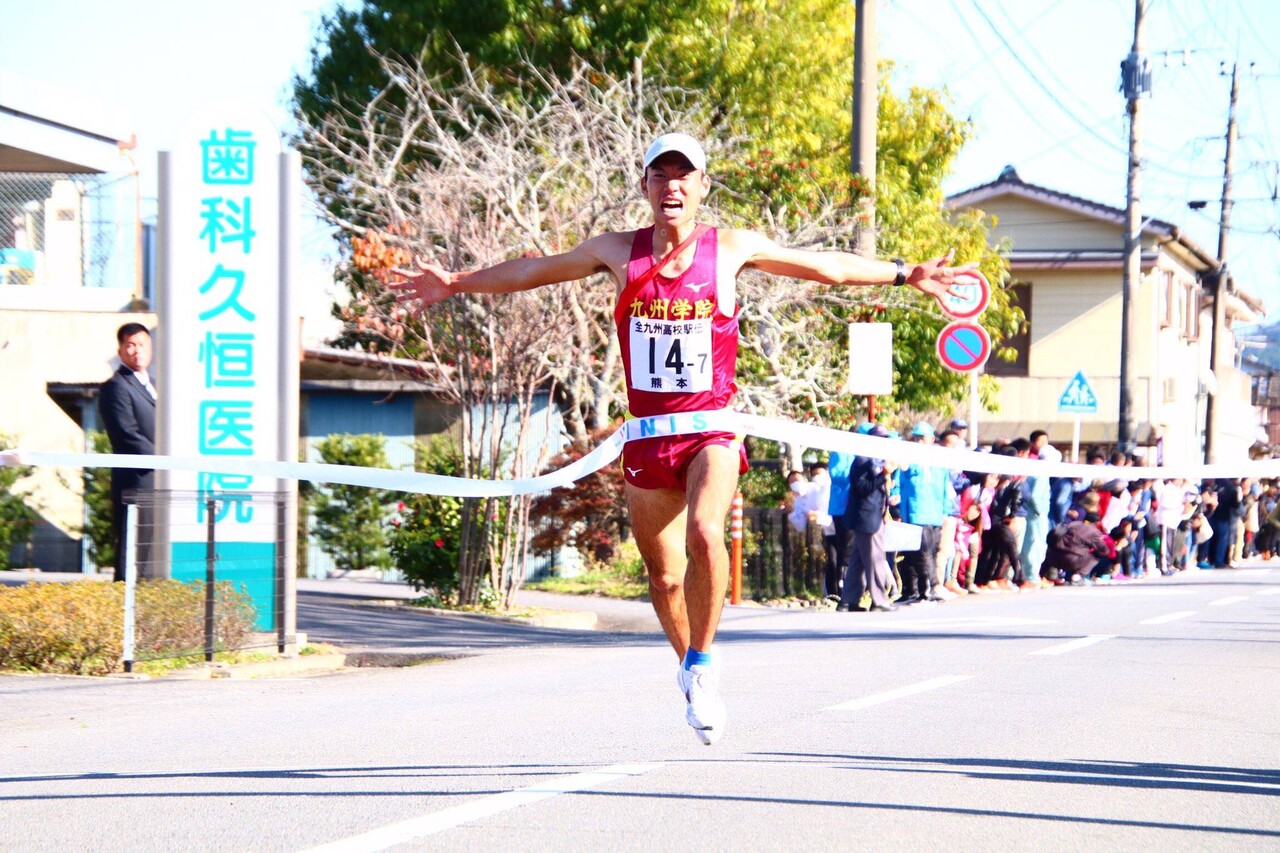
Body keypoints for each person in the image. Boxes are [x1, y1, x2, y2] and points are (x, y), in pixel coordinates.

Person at [389, 132, 965, 744]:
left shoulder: (732, 248)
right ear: (644, 187)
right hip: (647, 436)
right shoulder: (615, 251)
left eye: (684, 175)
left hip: (711, 427)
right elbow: (534, 271)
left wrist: (904, 274)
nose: (673, 186)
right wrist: (454, 282)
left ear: (702, 187)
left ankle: (707, 662)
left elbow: (824, 265)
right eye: (660, 175)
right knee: (663, 579)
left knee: (705, 532)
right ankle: (689, 666)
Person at [98, 323, 156, 582]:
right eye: (130, 345)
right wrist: (166, 460)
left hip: (157, 478)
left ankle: (144, 604)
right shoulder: (116, 386)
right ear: (120, 351)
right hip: (136, 480)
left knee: (150, 548)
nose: (136, 351)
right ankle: (125, 605)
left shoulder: (153, 384)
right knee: (133, 546)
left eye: (142, 344)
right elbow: (127, 435)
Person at [837, 425, 898, 613]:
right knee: (875, 559)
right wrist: (884, 475)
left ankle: (848, 600)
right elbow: (863, 488)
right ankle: (879, 600)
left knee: (858, 561)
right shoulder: (862, 461)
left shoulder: (877, 461)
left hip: (874, 516)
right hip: (866, 517)